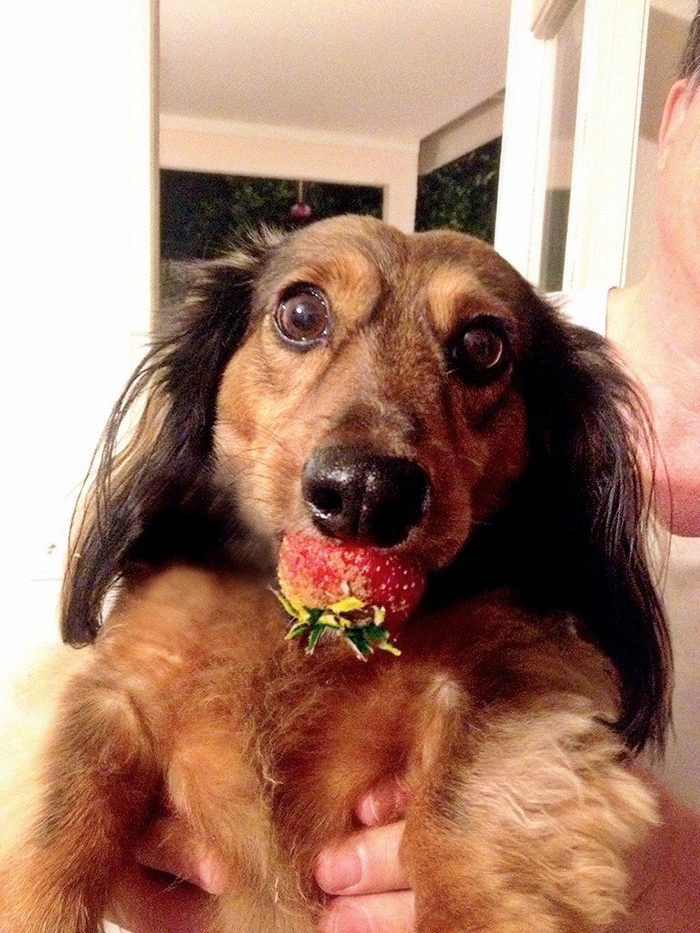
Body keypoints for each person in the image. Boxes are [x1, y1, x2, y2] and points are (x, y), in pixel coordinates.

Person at [108, 10, 700, 932]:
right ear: (682, 110)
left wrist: (671, 879)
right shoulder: (218, 507)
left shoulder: (556, 437)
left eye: (475, 351)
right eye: (302, 320)